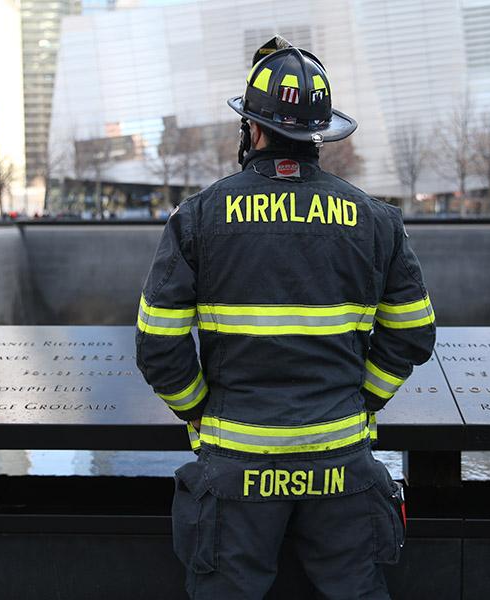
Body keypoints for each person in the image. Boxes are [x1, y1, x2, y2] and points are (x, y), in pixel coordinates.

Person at [136, 36, 436, 599]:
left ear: (251, 129)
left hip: (235, 467)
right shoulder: (377, 222)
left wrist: (201, 413)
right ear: (319, 134)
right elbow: (413, 331)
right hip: (342, 463)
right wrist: (364, 401)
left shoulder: (197, 218)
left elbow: (158, 344)